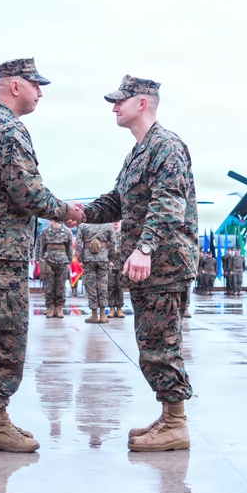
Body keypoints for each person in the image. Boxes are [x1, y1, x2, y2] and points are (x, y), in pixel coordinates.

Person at [0, 57, 84, 453]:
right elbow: (27, 191)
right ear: (15, 86)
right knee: (6, 335)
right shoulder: (7, 128)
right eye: (35, 84)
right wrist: (65, 211)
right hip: (1, 250)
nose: (40, 92)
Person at [81, 74, 198, 452]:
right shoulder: (138, 152)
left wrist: (145, 248)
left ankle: (176, 423)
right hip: (148, 267)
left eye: (120, 101)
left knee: (162, 343)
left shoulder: (166, 146)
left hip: (165, 265)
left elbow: (169, 204)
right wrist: (80, 213)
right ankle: (168, 415)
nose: (114, 107)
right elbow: (117, 201)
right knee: (150, 342)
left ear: (142, 103)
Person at [75, 221, 116, 323]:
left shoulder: (83, 226)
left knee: (91, 286)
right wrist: (111, 258)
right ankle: (102, 315)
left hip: (88, 259)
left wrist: (80, 259)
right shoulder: (107, 225)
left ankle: (94, 315)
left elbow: (78, 243)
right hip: (103, 258)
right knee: (103, 286)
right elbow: (113, 243)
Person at [35, 220, 73, 318]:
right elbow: (40, 246)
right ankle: (50, 307)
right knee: (49, 285)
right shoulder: (45, 231)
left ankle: (59, 307)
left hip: (62, 260)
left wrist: (69, 260)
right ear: (50, 220)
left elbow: (69, 247)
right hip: (48, 260)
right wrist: (39, 259)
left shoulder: (67, 231)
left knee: (61, 285)